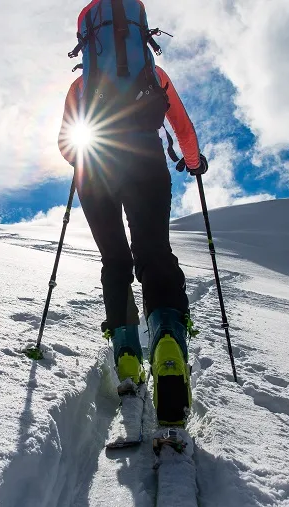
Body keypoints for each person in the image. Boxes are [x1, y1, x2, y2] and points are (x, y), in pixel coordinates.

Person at [57, 52, 205, 424]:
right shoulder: (152, 73)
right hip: (146, 160)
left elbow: (66, 142)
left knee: (115, 261)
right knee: (154, 254)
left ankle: (126, 358)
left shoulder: (81, 84)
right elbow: (182, 127)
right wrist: (193, 161)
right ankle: (168, 349)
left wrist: (85, 159)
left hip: (94, 169)